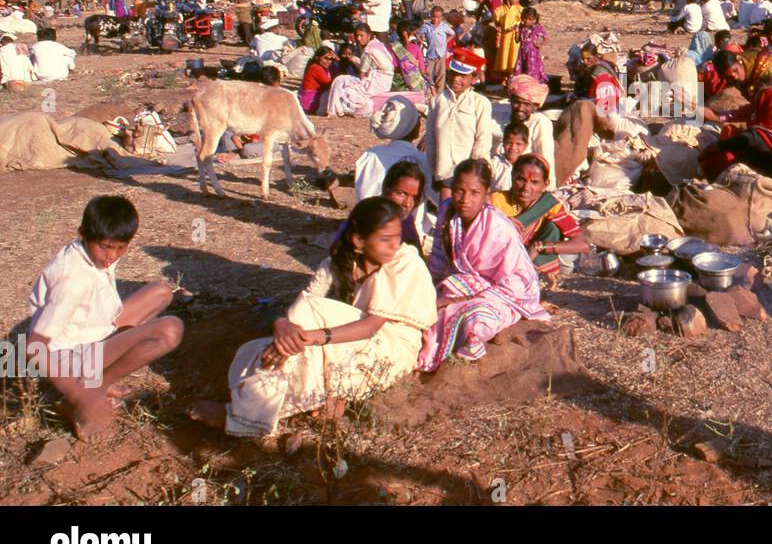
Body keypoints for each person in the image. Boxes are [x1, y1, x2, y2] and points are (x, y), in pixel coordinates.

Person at [190, 197, 436, 437]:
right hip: (347, 344)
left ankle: (244, 416)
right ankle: (277, 408)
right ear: (359, 240)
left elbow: (371, 326)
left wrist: (310, 337)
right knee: (254, 349)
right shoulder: (336, 264)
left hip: (389, 348)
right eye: (385, 239)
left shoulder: (405, 261)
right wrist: (282, 327)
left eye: (397, 237)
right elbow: (301, 306)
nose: (395, 245)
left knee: (309, 322)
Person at [26, 197, 182, 441]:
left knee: (160, 293)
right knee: (169, 330)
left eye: (120, 247)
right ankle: (90, 390)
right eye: (105, 247)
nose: (111, 256)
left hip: (90, 334)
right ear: (83, 234)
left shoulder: (92, 252)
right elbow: (34, 347)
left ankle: (97, 380)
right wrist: (78, 394)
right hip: (68, 355)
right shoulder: (73, 280)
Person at [418, 159, 548, 373]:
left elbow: (516, 281)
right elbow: (439, 262)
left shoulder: (497, 227)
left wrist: (465, 297)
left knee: (475, 322)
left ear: (486, 194)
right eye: (459, 191)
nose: (465, 200)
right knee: (425, 310)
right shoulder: (447, 212)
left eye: (474, 193)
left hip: (504, 293)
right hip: (457, 284)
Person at [491, 153, 589, 284]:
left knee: (553, 227)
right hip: (499, 263)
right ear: (512, 177)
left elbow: (582, 244)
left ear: (545, 184)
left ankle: (540, 276)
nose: (526, 187)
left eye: (534, 182)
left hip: (533, 261)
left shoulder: (548, 205)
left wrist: (540, 247)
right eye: (521, 179)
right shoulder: (496, 201)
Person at [700, 73, 772, 180]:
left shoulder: (758, 134)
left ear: (763, 103)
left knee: (720, 158)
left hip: (759, 177)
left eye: (758, 93)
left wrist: (708, 151)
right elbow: (720, 117)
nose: (753, 95)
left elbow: (729, 143)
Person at [427, 48, 493, 199]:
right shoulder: (437, 101)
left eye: (463, 76)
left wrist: (476, 171)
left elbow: (482, 140)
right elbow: (431, 139)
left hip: (470, 173)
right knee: (445, 215)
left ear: (473, 78)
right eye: (453, 74)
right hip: (444, 171)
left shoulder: (480, 103)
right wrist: (432, 171)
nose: (456, 79)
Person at [354, 96, 430, 201]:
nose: (420, 124)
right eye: (418, 120)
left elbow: (363, 194)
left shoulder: (370, 155)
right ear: (412, 126)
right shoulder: (420, 159)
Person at [326, 24, 398, 116]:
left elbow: (362, 73)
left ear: (369, 35)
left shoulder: (369, 50)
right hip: (386, 81)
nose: (359, 39)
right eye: (357, 36)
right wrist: (353, 59)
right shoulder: (378, 44)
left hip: (377, 82)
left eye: (361, 36)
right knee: (344, 80)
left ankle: (337, 109)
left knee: (340, 80)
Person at [506, 73, 557, 187]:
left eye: (526, 104)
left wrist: (549, 191)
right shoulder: (502, 116)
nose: (520, 108)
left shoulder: (540, 122)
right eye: (517, 102)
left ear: (535, 106)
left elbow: (546, 158)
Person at [490, 0, 524, 83]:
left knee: (514, 59)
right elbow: (496, 22)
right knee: (504, 59)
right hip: (505, 39)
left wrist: (517, 28)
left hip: (515, 39)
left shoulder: (520, 9)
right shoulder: (500, 10)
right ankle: (504, 80)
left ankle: (513, 79)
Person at [418, 6, 453, 94]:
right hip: (430, 53)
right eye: (433, 17)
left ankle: (440, 91)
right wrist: (422, 42)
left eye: (438, 17)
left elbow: (452, 34)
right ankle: (431, 88)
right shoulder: (426, 26)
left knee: (440, 72)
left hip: (441, 53)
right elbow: (417, 33)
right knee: (428, 72)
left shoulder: (444, 26)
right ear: (430, 16)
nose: (435, 19)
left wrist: (446, 42)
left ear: (441, 18)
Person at [491, 121, 531, 192]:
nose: (513, 147)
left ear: (525, 146)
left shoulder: (528, 165)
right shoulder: (495, 162)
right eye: (509, 143)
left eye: (518, 144)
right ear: (503, 142)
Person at [299, 45, 336, 114]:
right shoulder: (315, 68)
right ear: (317, 58)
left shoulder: (324, 68)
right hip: (310, 104)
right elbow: (330, 83)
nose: (329, 61)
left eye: (331, 59)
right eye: (325, 58)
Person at [390, 20, 426, 92]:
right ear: (405, 34)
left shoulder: (395, 47)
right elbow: (422, 70)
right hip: (415, 85)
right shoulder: (416, 48)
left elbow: (395, 67)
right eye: (412, 32)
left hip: (399, 85)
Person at [514, 6, 547, 81]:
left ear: (534, 20)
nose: (526, 21)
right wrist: (516, 33)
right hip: (522, 53)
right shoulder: (521, 27)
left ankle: (532, 86)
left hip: (532, 54)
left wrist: (540, 44)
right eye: (525, 18)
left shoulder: (536, 28)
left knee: (531, 71)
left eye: (529, 19)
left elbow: (545, 37)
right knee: (522, 71)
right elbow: (517, 40)